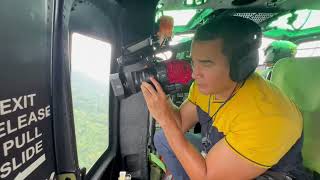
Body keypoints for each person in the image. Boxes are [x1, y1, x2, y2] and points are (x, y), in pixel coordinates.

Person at [140, 16, 308, 180]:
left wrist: (166, 120)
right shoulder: (205, 86)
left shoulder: (266, 115)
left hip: (272, 173)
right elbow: (180, 123)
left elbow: (206, 177)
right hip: (221, 150)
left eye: (206, 63)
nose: (194, 74)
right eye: (194, 62)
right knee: (162, 138)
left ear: (240, 66)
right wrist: (161, 97)